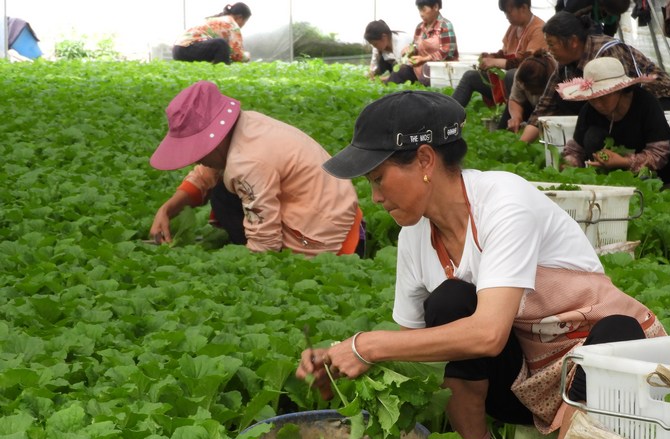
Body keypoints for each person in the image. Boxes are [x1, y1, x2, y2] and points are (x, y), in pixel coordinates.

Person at [295, 90, 666, 439]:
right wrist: (338, 361)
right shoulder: (415, 234)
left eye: (378, 178)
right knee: (451, 302)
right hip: (530, 383)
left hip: (609, 377)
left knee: (616, 336)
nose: (374, 197)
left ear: (426, 160)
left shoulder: (503, 202)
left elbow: (488, 335)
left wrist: (369, 346)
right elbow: (414, 347)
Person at [149, 81, 363, 256]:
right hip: (343, 221)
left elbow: (265, 243)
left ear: (217, 138)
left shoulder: (247, 162)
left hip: (327, 243)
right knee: (223, 188)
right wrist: (167, 209)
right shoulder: (244, 125)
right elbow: (205, 175)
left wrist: (241, 271)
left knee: (223, 195)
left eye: (198, 149)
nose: (195, 160)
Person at [558, 57, 670, 190]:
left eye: (603, 97)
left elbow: (659, 154)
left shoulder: (645, 103)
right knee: (593, 135)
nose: (597, 103)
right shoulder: (589, 110)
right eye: (592, 97)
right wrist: (569, 164)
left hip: (665, 171)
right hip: (618, 179)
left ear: (619, 90)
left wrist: (623, 161)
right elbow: (575, 150)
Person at [526, 11, 670, 140]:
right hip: (617, 106)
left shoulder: (605, 52)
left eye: (552, 44)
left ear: (573, 41)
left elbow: (627, 95)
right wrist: (522, 143)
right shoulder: (564, 65)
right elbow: (545, 106)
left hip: (659, 100)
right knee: (563, 97)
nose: (549, 50)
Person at [450, 0, 546, 129]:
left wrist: (495, 62)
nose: (507, 16)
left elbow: (528, 65)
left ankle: (515, 123)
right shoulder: (513, 28)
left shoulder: (538, 29)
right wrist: (490, 58)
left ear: (523, 7)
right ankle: (448, 115)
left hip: (528, 89)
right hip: (507, 85)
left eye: (509, 11)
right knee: (470, 77)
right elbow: (504, 52)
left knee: (512, 75)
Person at [387, 0, 459, 87]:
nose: (421, 14)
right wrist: (410, 51)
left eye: (423, 10)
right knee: (399, 72)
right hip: (420, 72)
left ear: (436, 7)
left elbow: (447, 52)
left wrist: (424, 59)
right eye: (419, 10)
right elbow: (416, 47)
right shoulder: (419, 27)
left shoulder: (445, 25)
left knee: (424, 79)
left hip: (440, 74)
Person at [172, 3, 251, 64]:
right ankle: (221, 78)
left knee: (222, 48)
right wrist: (247, 56)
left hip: (177, 50)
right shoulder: (232, 24)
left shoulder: (218, 19)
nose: (243, 25)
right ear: (240, 17)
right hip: (188, 48)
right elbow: (237, 55)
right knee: (221, 44)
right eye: (245, 22)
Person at [507, 50, 557, 142]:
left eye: (534, 90)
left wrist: (521, 144)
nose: (531, 93)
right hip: (531, 108)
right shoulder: (521, 73)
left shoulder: (556, 75)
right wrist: (516, 117)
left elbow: (543, 111)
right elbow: (515, 99)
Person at [555, 0, 632, 36]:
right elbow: (562, 21)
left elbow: (610, 30)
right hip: (570, 10)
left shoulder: (616, 5)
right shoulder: (579, 3)